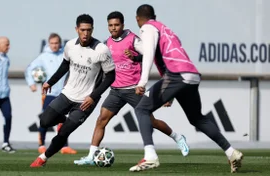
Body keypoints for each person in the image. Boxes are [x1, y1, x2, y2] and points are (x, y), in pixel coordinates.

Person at [129, 4, 243, 173]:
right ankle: (231, 152)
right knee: (197, 118)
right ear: (155, 15)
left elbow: (149, 55)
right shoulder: (167, 29)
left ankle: (150, 155)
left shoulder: (147, 28)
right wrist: (171, 92)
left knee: (142, 109)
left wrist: (142, 81)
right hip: (191, 75)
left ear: (138, 18)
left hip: (177, 75)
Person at [74, 11, 189, 166]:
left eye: (116, 25)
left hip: (133, 89)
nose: (113, 28)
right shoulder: (107, 43)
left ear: (122, 25)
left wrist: (135, 57)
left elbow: (151, 54)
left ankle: (177, 137)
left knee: (151, 121)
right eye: (110, 25)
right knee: (101, 120)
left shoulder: (133, 39)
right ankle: (91, 156)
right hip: (116, 90)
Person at [30, 14, 116, 167]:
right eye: (82, 30)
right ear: (76, 29)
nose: (85, 33)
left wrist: (94, 96)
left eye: (89, 30)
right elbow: (64, 66)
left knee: (63, 133)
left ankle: (43, 158)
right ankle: (66, 120)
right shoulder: (70, 46)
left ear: (93, 29)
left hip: (86, 101)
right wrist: (50, 82)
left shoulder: (102, 50)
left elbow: (110, 77)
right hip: (67, 94)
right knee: (44, 121)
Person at [25, 33, 77, 154]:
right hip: (49, 93)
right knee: (45, 118)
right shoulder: (43, 57)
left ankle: (64, 146)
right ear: (49, 44)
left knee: (64, 120)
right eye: (52, 43)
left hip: (63, 93)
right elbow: (29, 69)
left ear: (60, 44)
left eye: (56, 43)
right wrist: (31, 83)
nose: (54, 45)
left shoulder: (64, 55)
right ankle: (41, 144)